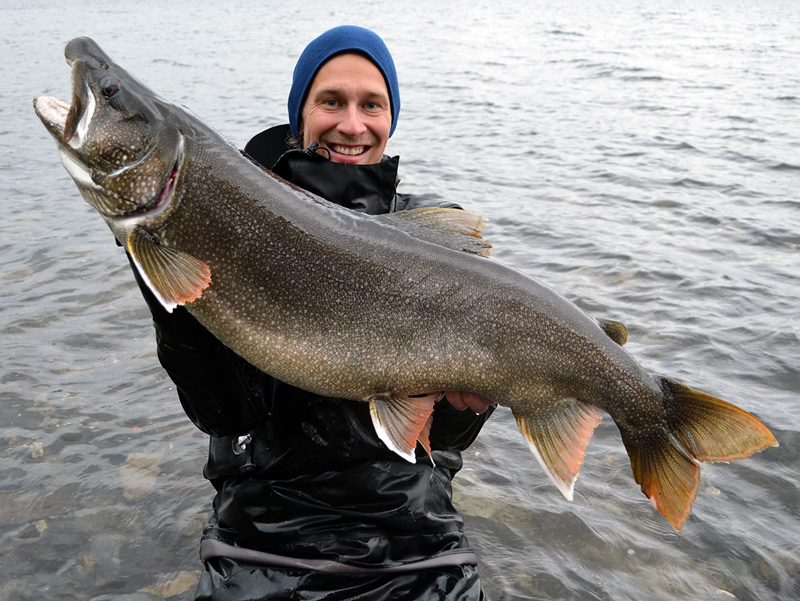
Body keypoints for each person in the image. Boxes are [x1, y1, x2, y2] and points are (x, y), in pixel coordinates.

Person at [131, 25, 494, 600]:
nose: (352, 125)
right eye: (331, 102)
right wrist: (158, 257)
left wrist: (462, 410)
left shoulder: (437, 236)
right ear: (300, 113)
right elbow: (224, 412)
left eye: (371, 104)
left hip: (415, 545)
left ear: (390, 117)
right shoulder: (228, 219)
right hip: (262, 542)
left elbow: (439, 446)